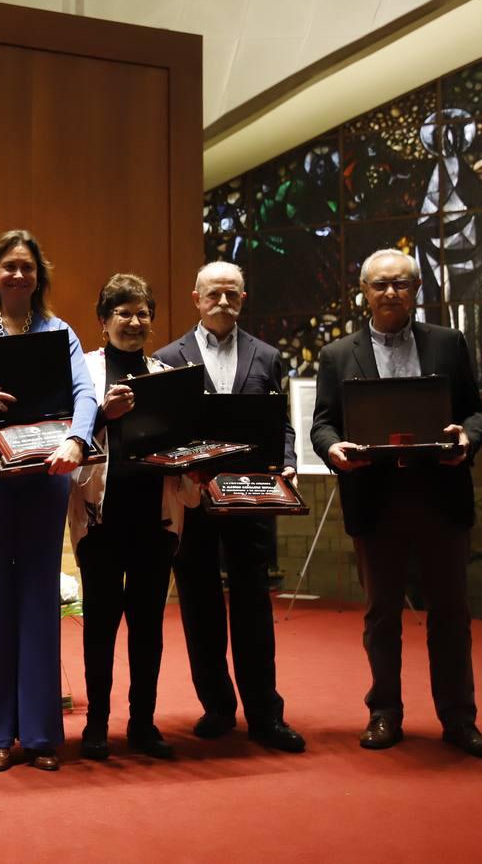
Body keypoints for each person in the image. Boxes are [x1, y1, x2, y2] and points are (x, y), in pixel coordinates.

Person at [310, 248, 482, 760]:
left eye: (401, 284)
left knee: (451, 615)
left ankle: (459, 719)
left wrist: (467, 438)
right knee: (381, 616)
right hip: (375, 497)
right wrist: (332, 449)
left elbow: (476, 413)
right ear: (364, 292)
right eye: (379, 285)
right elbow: (323, 422)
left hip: (440, 494)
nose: (390, 293)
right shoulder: (336, 354)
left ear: (417, 289)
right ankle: (384, 713)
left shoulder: (449, 343)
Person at [0, 229, 97, 772]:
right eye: (9, 267)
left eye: (27, 267)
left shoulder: (59, 331)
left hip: (46, 469)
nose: (18, 275)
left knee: (36, 597)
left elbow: (85, 395)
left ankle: (41, 734)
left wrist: (78, 439)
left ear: (39, 276)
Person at [154, 261, 306, 753]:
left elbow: (278, 422)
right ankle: (217, 707)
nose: (223, 303)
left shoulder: (267, 355)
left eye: (232, 295)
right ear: (195, 298)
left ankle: (265, 714)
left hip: (251, 495)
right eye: (214, 295)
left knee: (253, 606)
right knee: (198, 606)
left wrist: (287, 461)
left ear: (243, 298)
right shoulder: (165, 357)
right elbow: (164, 427)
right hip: (193, 498)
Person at [67, 274, 200, 761]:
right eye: (122, 312)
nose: (134, 321)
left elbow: (182, 442)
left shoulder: (166, 373)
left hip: (155, 518)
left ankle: (143, 723)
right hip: (102, 517)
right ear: (103, 322)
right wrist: (102, 413)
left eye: (142, 312)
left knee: (148, 627)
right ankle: (97, 725)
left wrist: (197, 465)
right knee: (100, 625)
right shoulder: (82, 369)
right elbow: (67, 433)